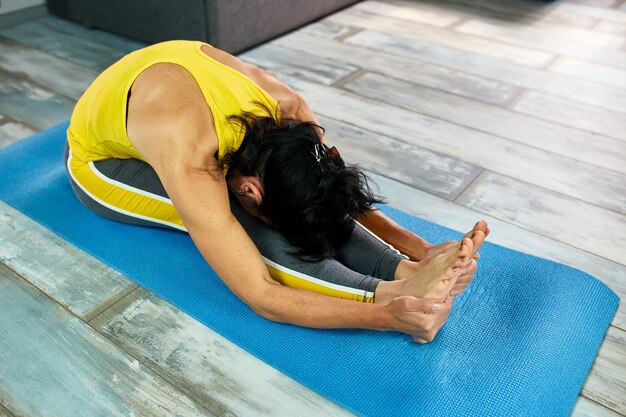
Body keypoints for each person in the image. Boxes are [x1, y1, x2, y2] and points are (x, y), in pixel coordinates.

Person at [65, 40, 489, 343]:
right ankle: (393, 288)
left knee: (305, 197)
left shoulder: (290, 110)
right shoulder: (189, 151)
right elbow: (262, 295)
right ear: (251, 187)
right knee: (235, 218)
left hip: (154, 105)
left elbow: (328, 186)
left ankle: (405, 274)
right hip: (99, 164)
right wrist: (385, 314)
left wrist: (418, 249)